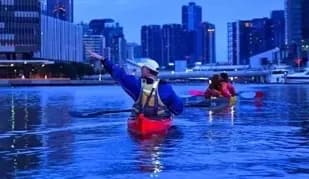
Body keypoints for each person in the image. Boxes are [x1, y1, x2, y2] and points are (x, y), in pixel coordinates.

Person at [89, 51, 183, 119]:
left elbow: (119, 73)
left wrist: (103, 59)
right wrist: (171, 113)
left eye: (142, 68)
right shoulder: (166, 88)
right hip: (159, 121)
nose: (140, 69)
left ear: (147, 70)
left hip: (140, 120)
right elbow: (178, 108)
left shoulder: (136, 84)